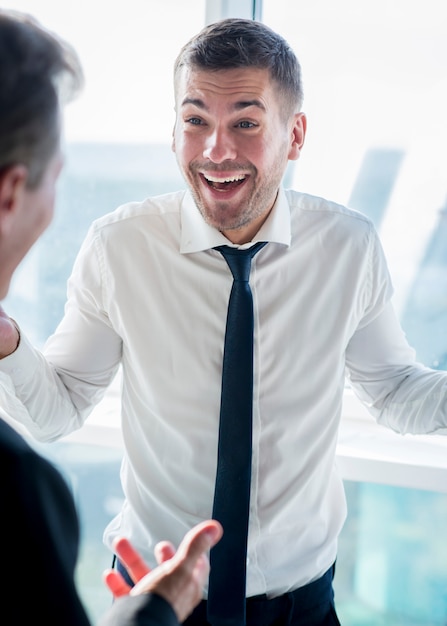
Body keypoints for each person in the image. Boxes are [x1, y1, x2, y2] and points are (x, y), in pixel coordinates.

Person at [1, 15, 447, 626]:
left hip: (301, 607)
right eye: (195, 122)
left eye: (245, 122)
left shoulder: (349, 247)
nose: (216, 150)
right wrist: (8, 342)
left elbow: (396, 391)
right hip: (154, 598)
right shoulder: (119, 246)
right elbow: (56, 409)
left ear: (295, 135)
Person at [0, 8, 222, 626]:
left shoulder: (346, 247)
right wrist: (156, 606)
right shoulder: (15, 489)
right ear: (11, 195)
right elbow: (57, 407)